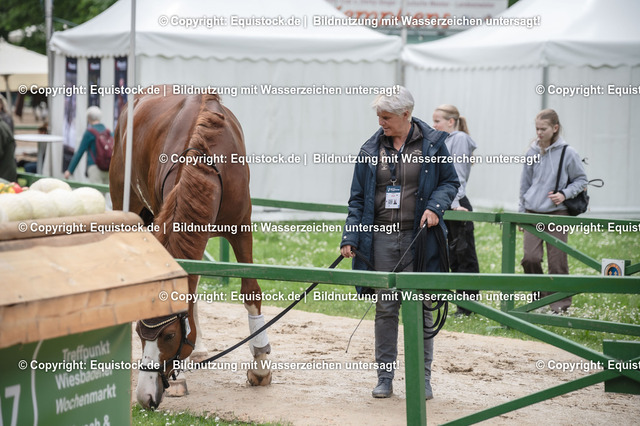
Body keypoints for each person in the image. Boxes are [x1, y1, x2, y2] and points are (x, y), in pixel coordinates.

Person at [340, 87, 459, 400]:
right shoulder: (370, 150)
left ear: (406, 114)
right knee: (385, 308)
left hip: (419, 239)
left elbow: (450, 182)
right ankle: (385, 378)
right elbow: (357, 199)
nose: (380, 122)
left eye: (386, 117)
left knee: (421, 309)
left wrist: (435, 207)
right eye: (379, 116)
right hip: (380, 238)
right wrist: (351, 236)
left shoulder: (433, 144)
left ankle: (422, 380)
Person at [519, 109, 587, 313]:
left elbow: (581, 180)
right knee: (530, 259)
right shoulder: (531, 152)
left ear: (555, 128)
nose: (539, 133)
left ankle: (560, 306)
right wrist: (521, 213)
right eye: (537, 129)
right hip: (532, 213)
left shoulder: (568, 153)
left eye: (543, 129)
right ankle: (538, 300)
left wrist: (564, 194)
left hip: (558, 214)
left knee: (557, 261)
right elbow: (524, 185)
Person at [432, 105, 480, 316]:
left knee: (464, 255)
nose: (434, 125)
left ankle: (468, 306)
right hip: (447, 202)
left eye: (438, 121)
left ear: (451, 121)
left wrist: (455, 203)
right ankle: (459, 304)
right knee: (452, 255)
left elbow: (458, 174)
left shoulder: (459, 138)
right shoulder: (443, 140)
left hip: (456, 201)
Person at [64, 106, 110, 184]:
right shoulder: (108, 132)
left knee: (96, 191)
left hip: (94, 168)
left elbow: (79, 152)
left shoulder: (89, 132)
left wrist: (69, 170)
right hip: (108, 168)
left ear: (88, 118)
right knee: (106, 190)